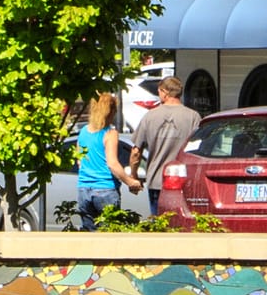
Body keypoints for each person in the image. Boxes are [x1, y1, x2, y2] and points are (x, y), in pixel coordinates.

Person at [128, 76, 203, 207]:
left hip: (157, 181)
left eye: (159, 92)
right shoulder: (193, 117)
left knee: (159, 224)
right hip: (184, 182)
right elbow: (199, 150)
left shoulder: (150, 116)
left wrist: (133, 176)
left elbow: (136, 152)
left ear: (164, 92)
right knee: (182, 224)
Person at [72, 92, 127, 227]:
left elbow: (79, 161)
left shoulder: (83, 131)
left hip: (84, 188)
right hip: (105, 189)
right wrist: (130, 181)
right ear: (111, 111)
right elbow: (112, 164)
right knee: (109, 234)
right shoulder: (110, 133)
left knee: (90, 234)